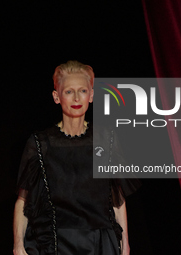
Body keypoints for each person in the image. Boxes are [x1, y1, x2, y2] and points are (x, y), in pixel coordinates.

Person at [13, 60, 140, 255]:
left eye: (82, 91)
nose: (76, 98)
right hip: (55, 244)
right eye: (69, 91)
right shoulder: (40, 143)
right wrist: (18, 246)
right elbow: (24, 200)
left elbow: (117, 199)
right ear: (57, 97)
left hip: (100, 243)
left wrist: (125, 245)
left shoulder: (107, 139)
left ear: (91, 95)